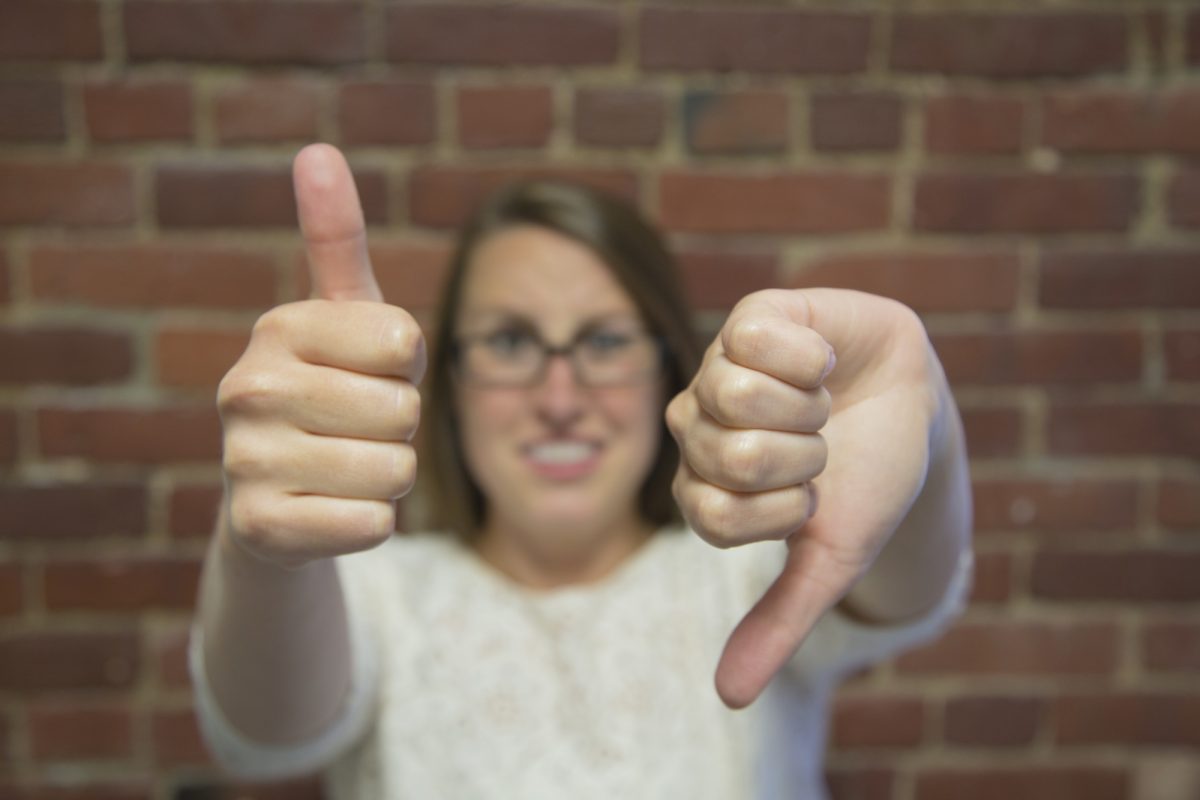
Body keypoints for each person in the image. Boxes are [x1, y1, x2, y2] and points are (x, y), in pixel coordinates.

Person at [190, 144, 973, 799]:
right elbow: (268, 728)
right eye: (509, 342)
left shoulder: (748, 575)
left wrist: (927, 421)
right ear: (451, 384)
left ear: (668, 362)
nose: (559, 398)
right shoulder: (370, 589)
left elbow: (907, 587)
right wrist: (266, 553)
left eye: (604, 342)